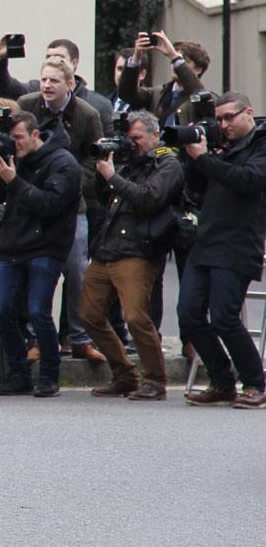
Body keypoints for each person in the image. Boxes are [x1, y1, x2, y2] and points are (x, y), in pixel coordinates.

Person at [80, 111, 183, 401]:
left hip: (139, 251)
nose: (132, 144)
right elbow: (103, 198)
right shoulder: (127, 163)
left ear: (154, 135)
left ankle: (155, 380)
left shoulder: (168, 163)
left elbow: (150, 199)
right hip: (107, 249)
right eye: (129, 138)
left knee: (136, 317)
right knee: (88, 315)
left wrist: (112, 176)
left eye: (137, 138)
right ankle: (124, 375)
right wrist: (104, 170)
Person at [0, 111, 82, 397]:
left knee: (38, 311)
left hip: (47, 246)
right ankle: (18, 374)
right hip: (14, 244)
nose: (14, 145)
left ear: (35, 134)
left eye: (18, 138)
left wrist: (14, 180)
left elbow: (49, 204)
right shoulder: (14, 160)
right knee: (2, 311)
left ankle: (49, 374)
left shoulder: (63, 163)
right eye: (10, 139)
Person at [178, 92, 266, 408]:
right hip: (206, 239)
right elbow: (199, 188)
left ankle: (256, 383)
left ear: (249, 113)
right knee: (188, 314)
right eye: (219, 119)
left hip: (239, 241)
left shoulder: (260, 144)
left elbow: (249, 180)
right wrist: (194, 159)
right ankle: (221, 381)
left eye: (229, 117)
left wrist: (206, 159)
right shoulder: (221, 147)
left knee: (224, 317)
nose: (223, 124)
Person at [16, 57, 106, 362]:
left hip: (73, 204)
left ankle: (78, 337)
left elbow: (95, 159)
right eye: (43, 79)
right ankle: (38, 338)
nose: (46, 86)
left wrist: (66, 181)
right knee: (35, 269)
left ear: (69, 84)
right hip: (33, 201)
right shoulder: (26, 105)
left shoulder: (87, 114)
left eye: (53, 80)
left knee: (77, 270)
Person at [0, 36, 114, 134]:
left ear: (74, 63)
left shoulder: (98, 105)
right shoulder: (33, 93)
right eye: (48, 57)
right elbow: (5, 87)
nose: (52, 61)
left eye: (59, 57)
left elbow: (101, 149)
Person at [118, 32, 210, 127]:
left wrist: (173, 56)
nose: (174, 65)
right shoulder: (157, 94)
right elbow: (127, 94)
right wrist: (136, 58)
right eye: (172, 61)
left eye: (184, 61)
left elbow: (198, 92)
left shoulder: (205, 98)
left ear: (198, 69)